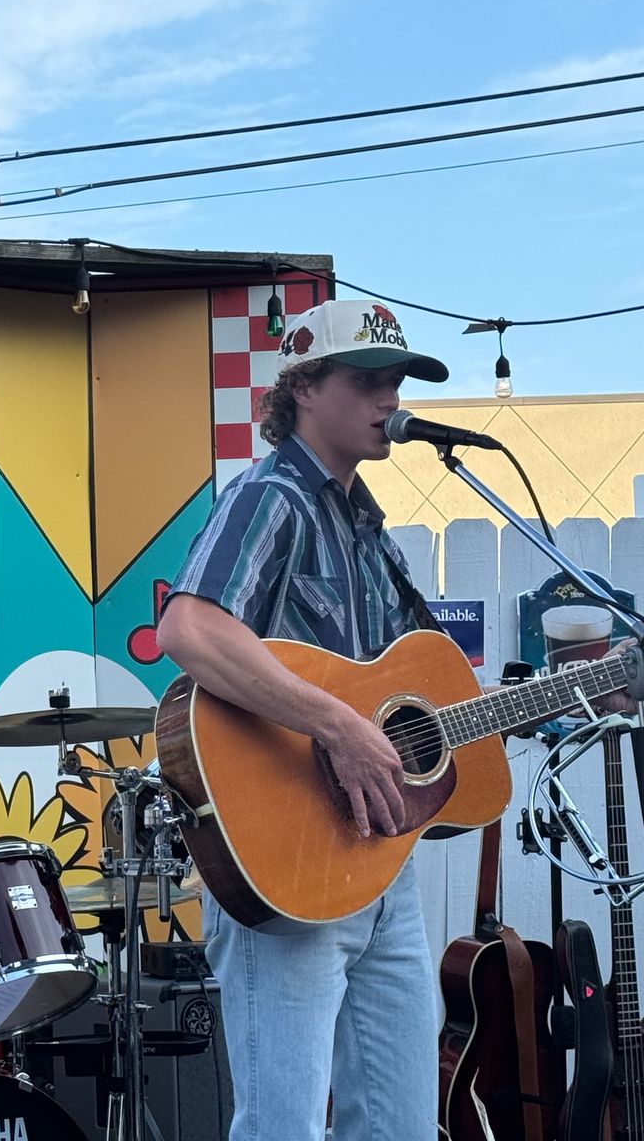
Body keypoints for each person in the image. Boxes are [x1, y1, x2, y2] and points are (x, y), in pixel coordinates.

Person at [154, 298, 447, 1141]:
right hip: (286, 863)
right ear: (305, 389)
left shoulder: (372, 534)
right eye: (368, 380)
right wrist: (337, 727)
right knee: (283, 1128)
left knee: (402, 1128)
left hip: (380, 864)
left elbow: (412, 695)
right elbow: (189, 628)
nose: (390, 399)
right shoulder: (270, 497)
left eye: (397, 381)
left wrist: (574, 688)